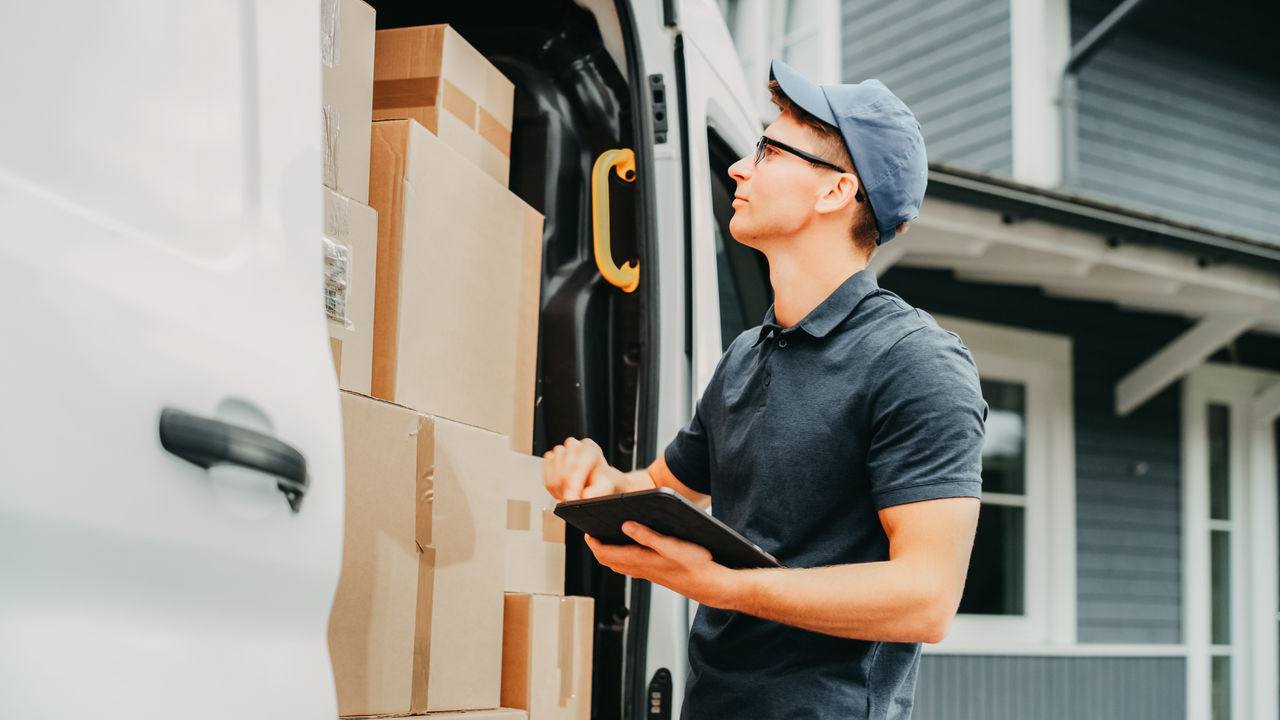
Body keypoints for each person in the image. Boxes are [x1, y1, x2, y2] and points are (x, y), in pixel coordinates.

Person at [543, 59, 987, 720]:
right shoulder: (747, 357)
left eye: (770, 151)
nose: (738, 169)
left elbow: (925, 599)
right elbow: (662, 488)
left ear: (837, 192)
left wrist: (723, 586)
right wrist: (597, 480)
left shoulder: (915, 362)